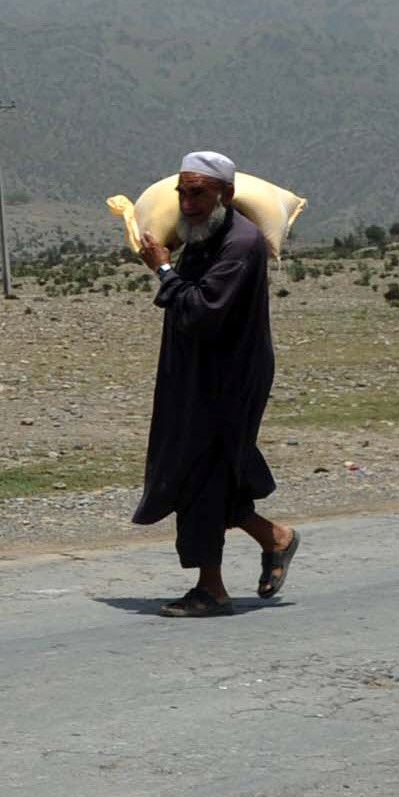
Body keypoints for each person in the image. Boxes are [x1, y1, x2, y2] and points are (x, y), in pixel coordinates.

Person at [131, 152, 299, 617]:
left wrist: (163, 270)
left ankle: (212, 589)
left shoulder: (240, 245)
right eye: (182, 193)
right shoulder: (203, 238)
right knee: (215, 469)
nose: (187, 202)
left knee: (203, 473)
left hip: (229, 377)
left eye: (198, 193)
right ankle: (275, 538)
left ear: (225, 194)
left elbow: (204, 311)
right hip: (201, 374)